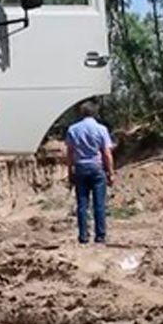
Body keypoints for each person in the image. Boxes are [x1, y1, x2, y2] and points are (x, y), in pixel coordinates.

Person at [65, 101, 115, 244]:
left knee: (82, 204)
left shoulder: (73, 129)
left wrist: (70, 171)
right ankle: (100, 236)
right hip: (97, 168)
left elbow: (69, 153)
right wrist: (110, 172)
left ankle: (83, 236)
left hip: (80, 168)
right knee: (99, 204)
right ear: (95, 113)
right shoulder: (101, 129)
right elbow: (106, 153)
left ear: (81, 113)